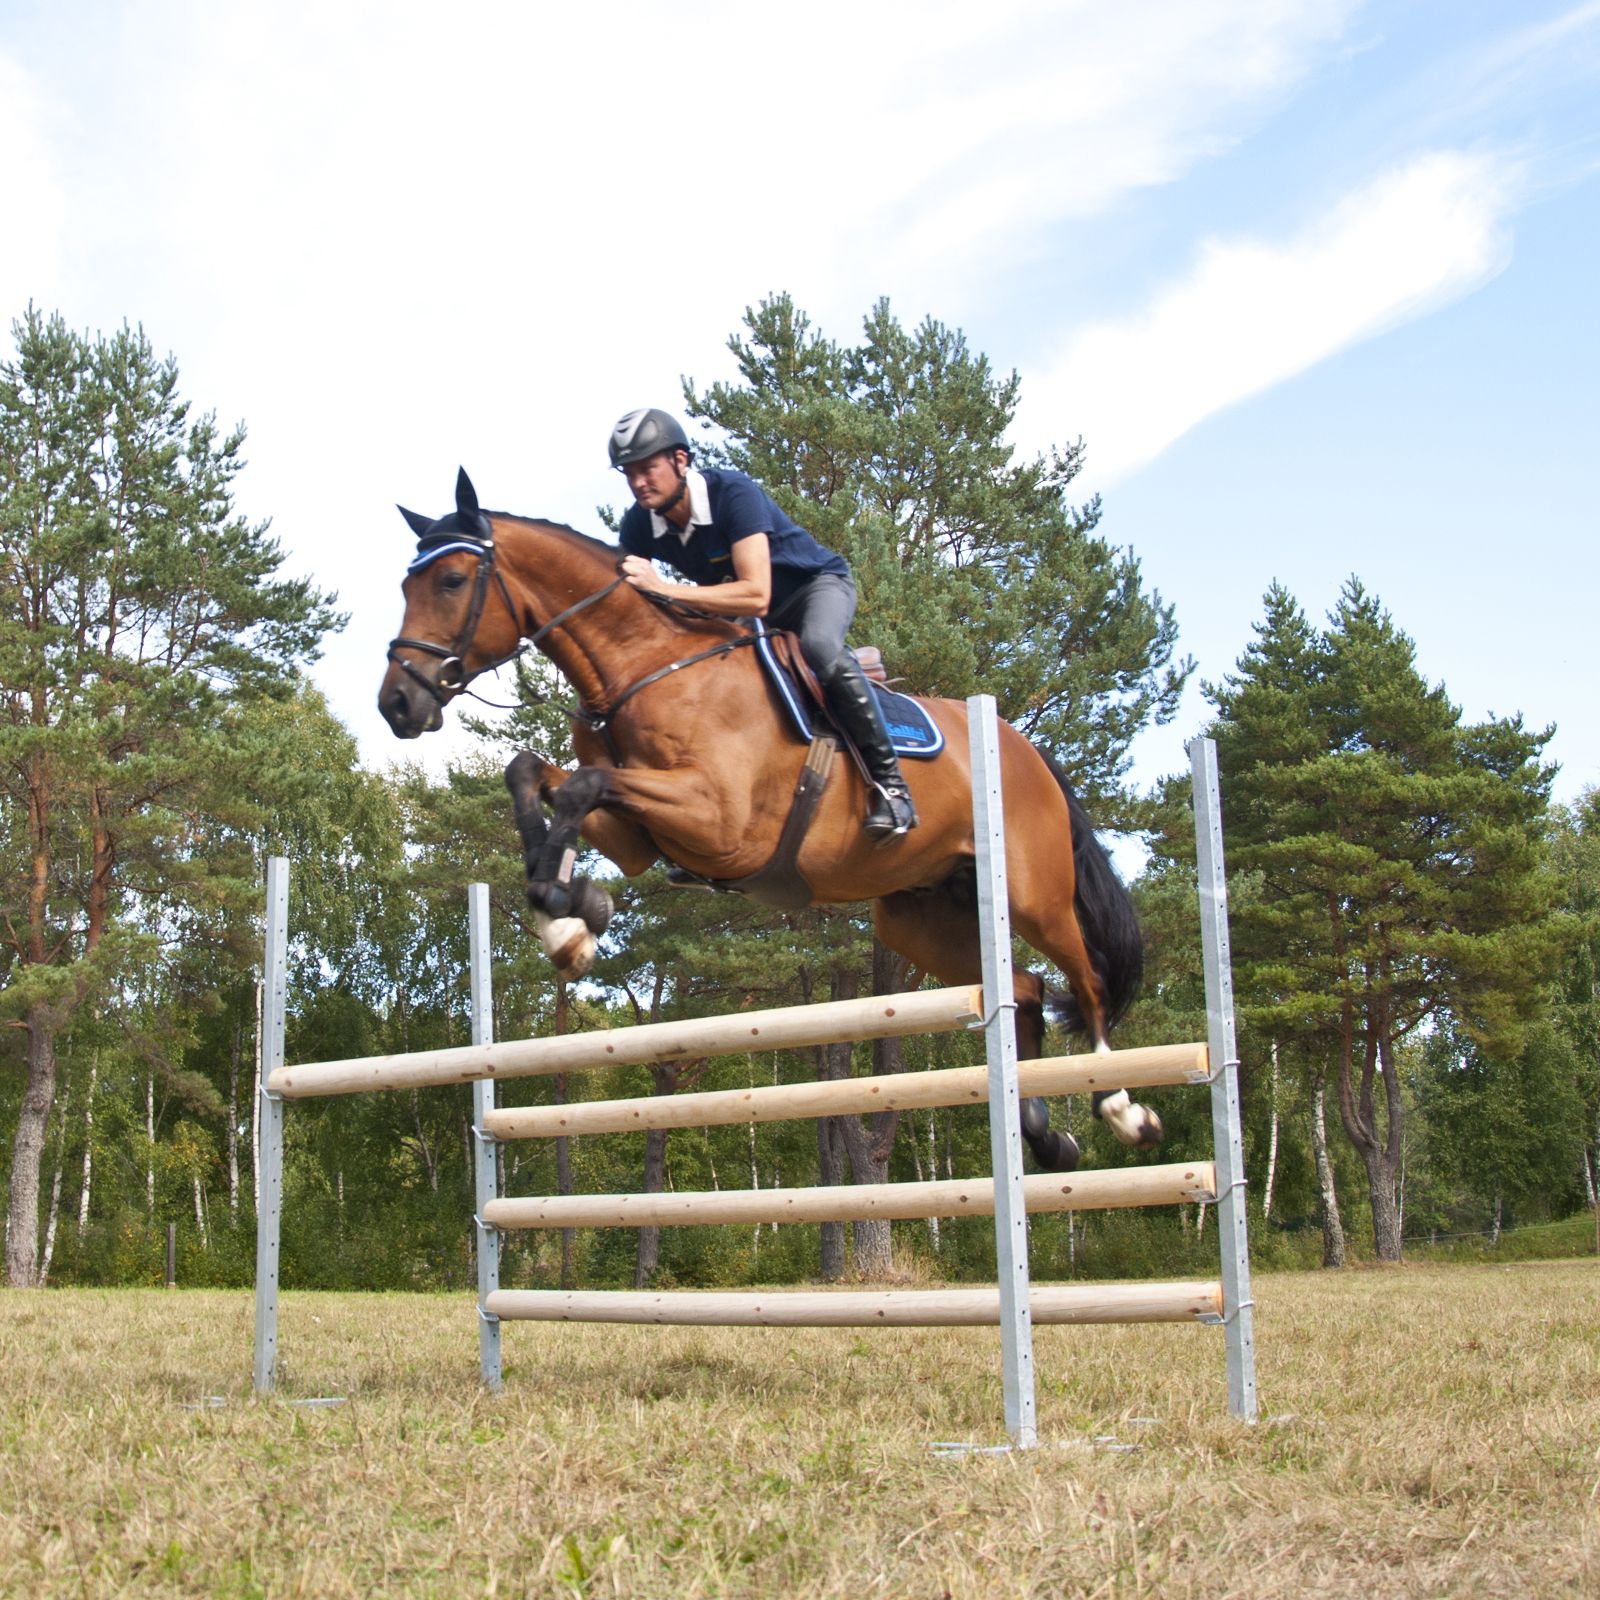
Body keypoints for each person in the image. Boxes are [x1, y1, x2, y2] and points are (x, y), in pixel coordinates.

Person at [610, 407, 917, 840]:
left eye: (647, 468)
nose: (638, 482)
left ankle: (893, 789)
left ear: (680, 460)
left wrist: (666, 590)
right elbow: (621, 590)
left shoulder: (732, 492)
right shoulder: (640, 523)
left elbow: (757, 593)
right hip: (745, 612)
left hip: (813, 589)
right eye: (629, 473)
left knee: (819, 648)